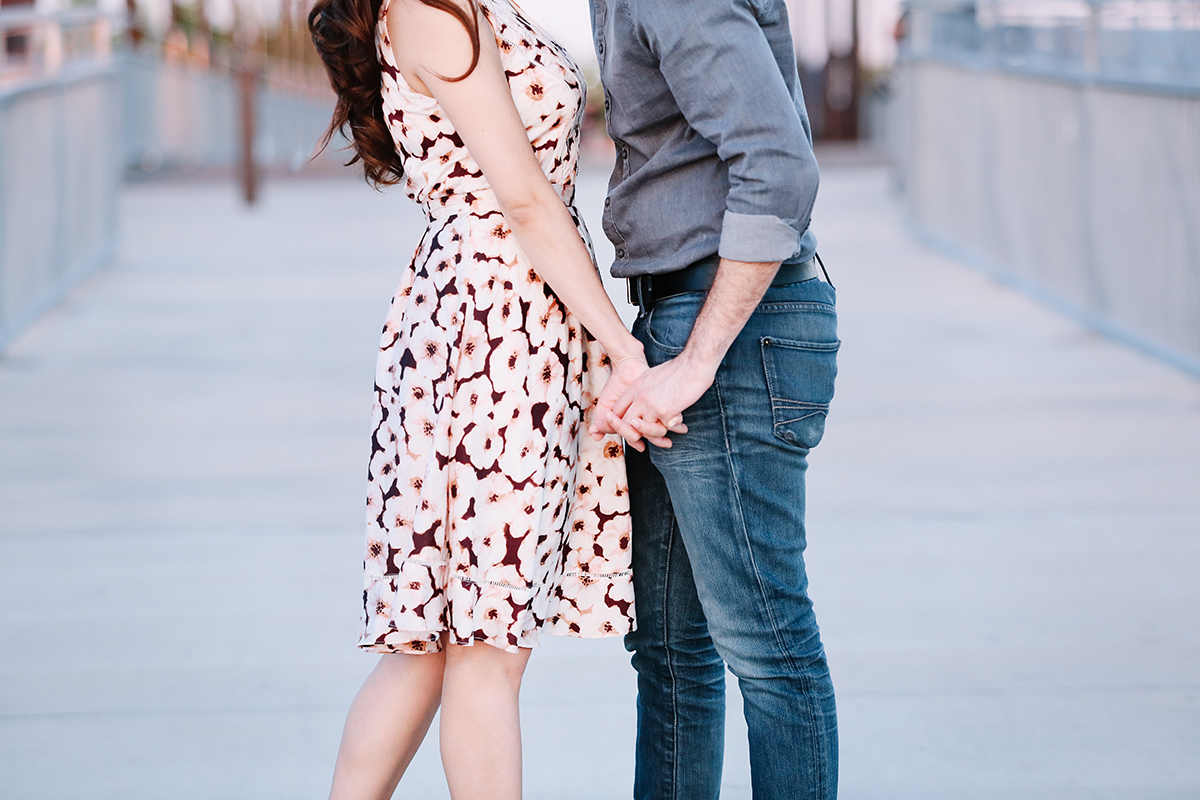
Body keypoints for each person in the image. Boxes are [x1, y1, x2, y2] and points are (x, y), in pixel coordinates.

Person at [307, 0, 681, 797]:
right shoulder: (426, 7)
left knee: (442, 649)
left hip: (509, 330)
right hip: (487, 338)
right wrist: (626, 352)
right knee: (479, 648)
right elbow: (524, 199)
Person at [586, 0, 842, 798]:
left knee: (769, 648)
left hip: (729, 332)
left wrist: (697, 359)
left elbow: (779, 165)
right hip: (680, 318)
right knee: (669, 653)